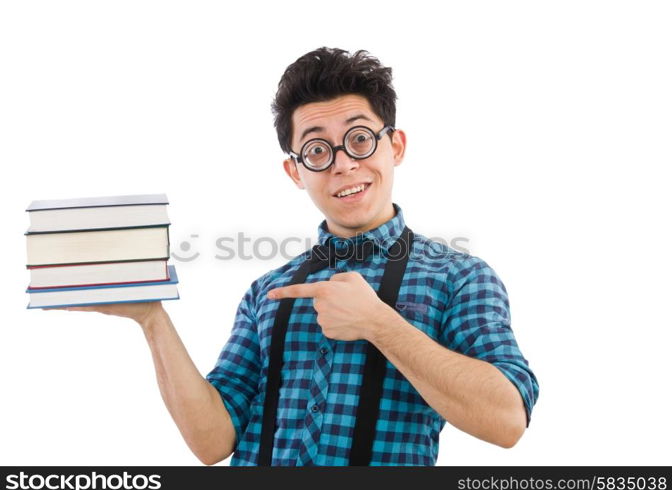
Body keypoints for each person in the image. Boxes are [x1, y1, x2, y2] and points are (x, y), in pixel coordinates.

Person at [55, 47, 539, 466]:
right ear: (295, 171)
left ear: (395, 145)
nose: (344, 163)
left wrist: (379, 323)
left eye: (360, 138)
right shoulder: (268, 290)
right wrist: (152, 319)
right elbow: (212, 441)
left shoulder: (460, 277)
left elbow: (506, 420)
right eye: (316, 150)